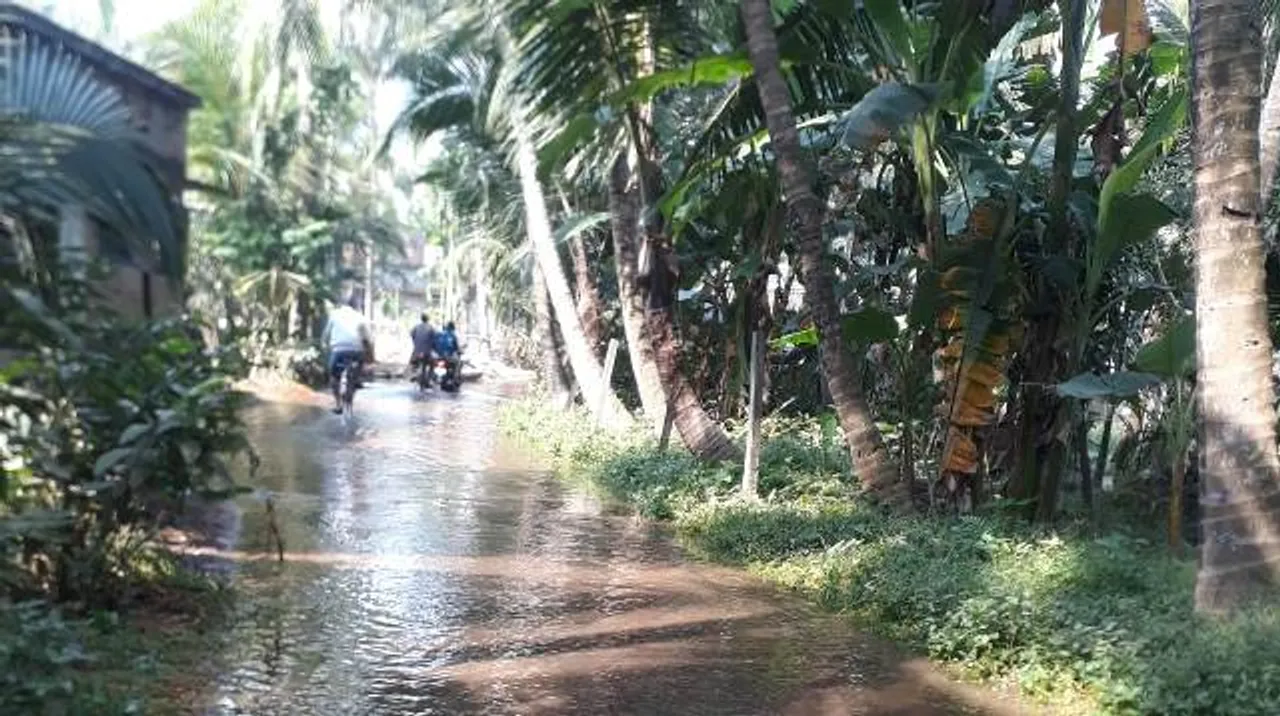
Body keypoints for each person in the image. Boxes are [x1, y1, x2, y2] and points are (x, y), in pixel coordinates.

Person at [323, 295, 374, 413]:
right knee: (355, 378)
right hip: (356, 352)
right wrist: (370, 358)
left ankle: (338, 404)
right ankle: (350, 394)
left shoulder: (335, 314)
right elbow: (369, 340)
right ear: (357, 306)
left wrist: (325, 345)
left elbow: (325, 335)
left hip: (338, 351)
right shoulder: (360, 317)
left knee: (334, 377)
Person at [409, 313, 436, 382]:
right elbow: (434, 338)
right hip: (427, 351)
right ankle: (430, 376)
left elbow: (411, 334)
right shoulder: (431, 327)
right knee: (433, 363)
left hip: (417, 350)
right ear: (428, 319)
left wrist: (416, 342)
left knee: (413, 360)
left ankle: (414, 371)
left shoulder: (416, 327)